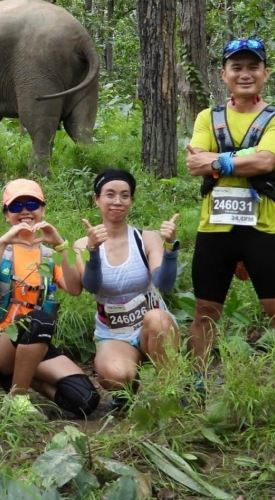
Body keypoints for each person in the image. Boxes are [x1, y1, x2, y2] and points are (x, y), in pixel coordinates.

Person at [185, 37, 275, 377]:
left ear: (266, 73)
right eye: (237, 67)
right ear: (224, 74)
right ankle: (197, 385)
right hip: (214, 231)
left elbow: (267, 161)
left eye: (253, 67)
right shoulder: (208, 117)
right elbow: (194, 164)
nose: (245, 74)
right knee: (205, 311)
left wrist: (218, 161)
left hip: (261, 230)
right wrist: (244, 159)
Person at [0, 179, 100, 417]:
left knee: (85, 399)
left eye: (32, 204)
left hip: (36, 340)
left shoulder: (50, 255)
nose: (24, 211)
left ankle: (22, 380)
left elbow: (74, 289)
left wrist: (61, 245)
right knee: (38, 319)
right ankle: (17, 398)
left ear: (42, 210)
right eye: (15, 206)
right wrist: (4, 241)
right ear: (6, 215)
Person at [74, 168, 180, 398]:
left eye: (125, 195)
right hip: (113, 333)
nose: (117, 201)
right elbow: (92, 286)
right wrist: (93, 251)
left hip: (154, 325)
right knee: (116, 376)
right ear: (97, 199)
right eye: (110, 194)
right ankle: (130, 390)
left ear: (131, 200)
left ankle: (169, 391)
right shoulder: (82, 244)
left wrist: (170, 248)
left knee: (157, 319)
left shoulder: (147, 238)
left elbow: (164, 284)